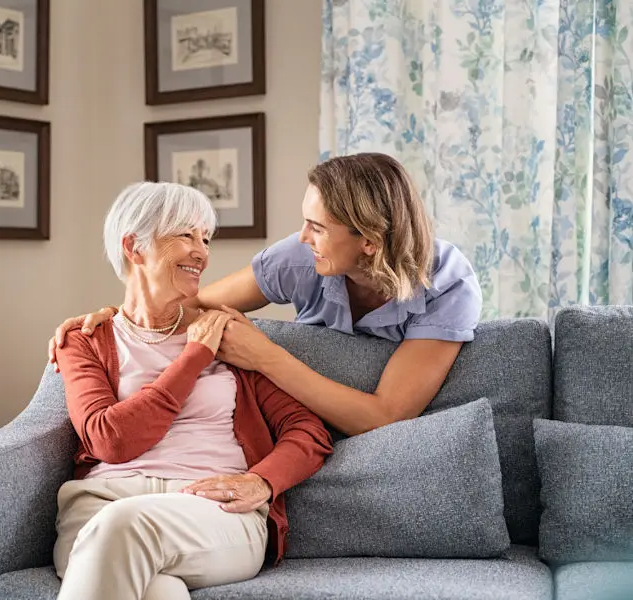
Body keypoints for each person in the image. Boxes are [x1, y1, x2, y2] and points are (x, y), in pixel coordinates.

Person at [50, 153, 483, 437]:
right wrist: (116, 316)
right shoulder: (300, 258)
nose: (302, 236)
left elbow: (387, 417)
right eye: (304, 221)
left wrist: (264, 355)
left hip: (376, 440)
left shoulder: (448, 284)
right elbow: (189, 306)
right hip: (297, 425)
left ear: (369, 241)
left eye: (318, 227)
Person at [52, 181, 333, 600]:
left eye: (205, 238)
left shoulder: (230, 334)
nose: (202, 251)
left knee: (124, 527)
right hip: (102, 503)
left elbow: (308, 431)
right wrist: (194, 358)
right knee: (159, 591)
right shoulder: (86, 339)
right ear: (134, 246)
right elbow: (110, 440)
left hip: (211, 509)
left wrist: (261, 481)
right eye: (185, 235)